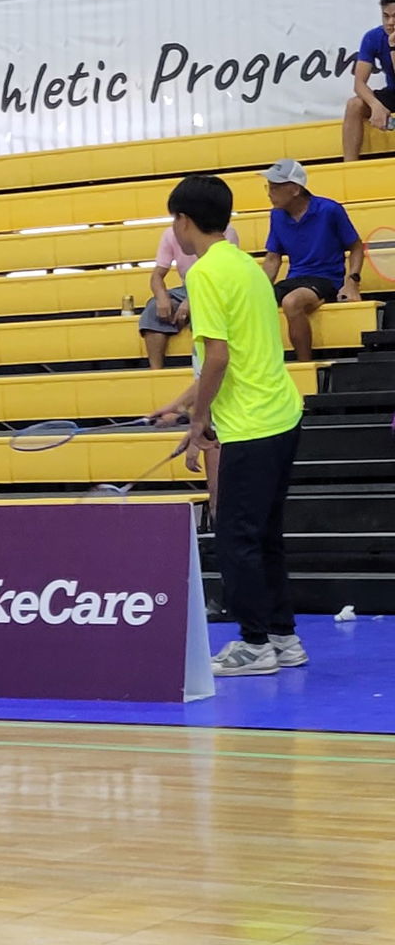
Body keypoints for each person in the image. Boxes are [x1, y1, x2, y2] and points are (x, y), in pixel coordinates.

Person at [168, 173, 306, 678]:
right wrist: (185, 404)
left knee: (236, 537)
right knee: (265, 533)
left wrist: (199, 419)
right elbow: (239, 353)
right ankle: (283, 637)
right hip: (282, 415)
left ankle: (252, 643)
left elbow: (220, 358)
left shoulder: (203, 275)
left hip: (249, 425)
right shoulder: (248, 269)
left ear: (184, 221)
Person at [261, 159, 363, 363]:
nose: (269, 193)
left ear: (295, 189)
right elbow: (273, 258)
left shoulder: (329, 210)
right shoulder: (277, 215)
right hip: (295, 278)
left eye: (275, 187)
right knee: (249, 303)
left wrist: (352, 283)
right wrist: (257, 289)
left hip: (326, 279)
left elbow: (356, 247)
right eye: (269, 187)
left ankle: (305, 365)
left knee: (292, 302)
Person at [139, 220, 241, 370]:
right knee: (153, 308)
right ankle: (156, 373)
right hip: (187, 287)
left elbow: (222, 275)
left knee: (206, 309)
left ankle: (210, 370)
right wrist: (162, 297)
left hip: (217, 287)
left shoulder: (224, 232)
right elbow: (157, 276)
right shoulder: (170, 234)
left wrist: (191, 300)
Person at [343, 0, 395, 161]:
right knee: (354, 105)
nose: (390, 23)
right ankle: (349, 168)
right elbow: (359, 83)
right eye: (385, 16)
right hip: (392, 91)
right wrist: (375, 105)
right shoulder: (373, 37)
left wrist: (393, 47)